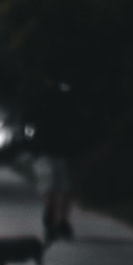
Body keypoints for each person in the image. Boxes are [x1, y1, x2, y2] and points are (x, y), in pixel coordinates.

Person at [29, 80, 79, 242]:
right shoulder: (67, 102)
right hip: (62, 149)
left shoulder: (40, 100)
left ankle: (51, 217)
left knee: (50, 186)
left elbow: (31, 120)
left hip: (45, 149)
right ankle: (61, 220)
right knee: (64, 187)